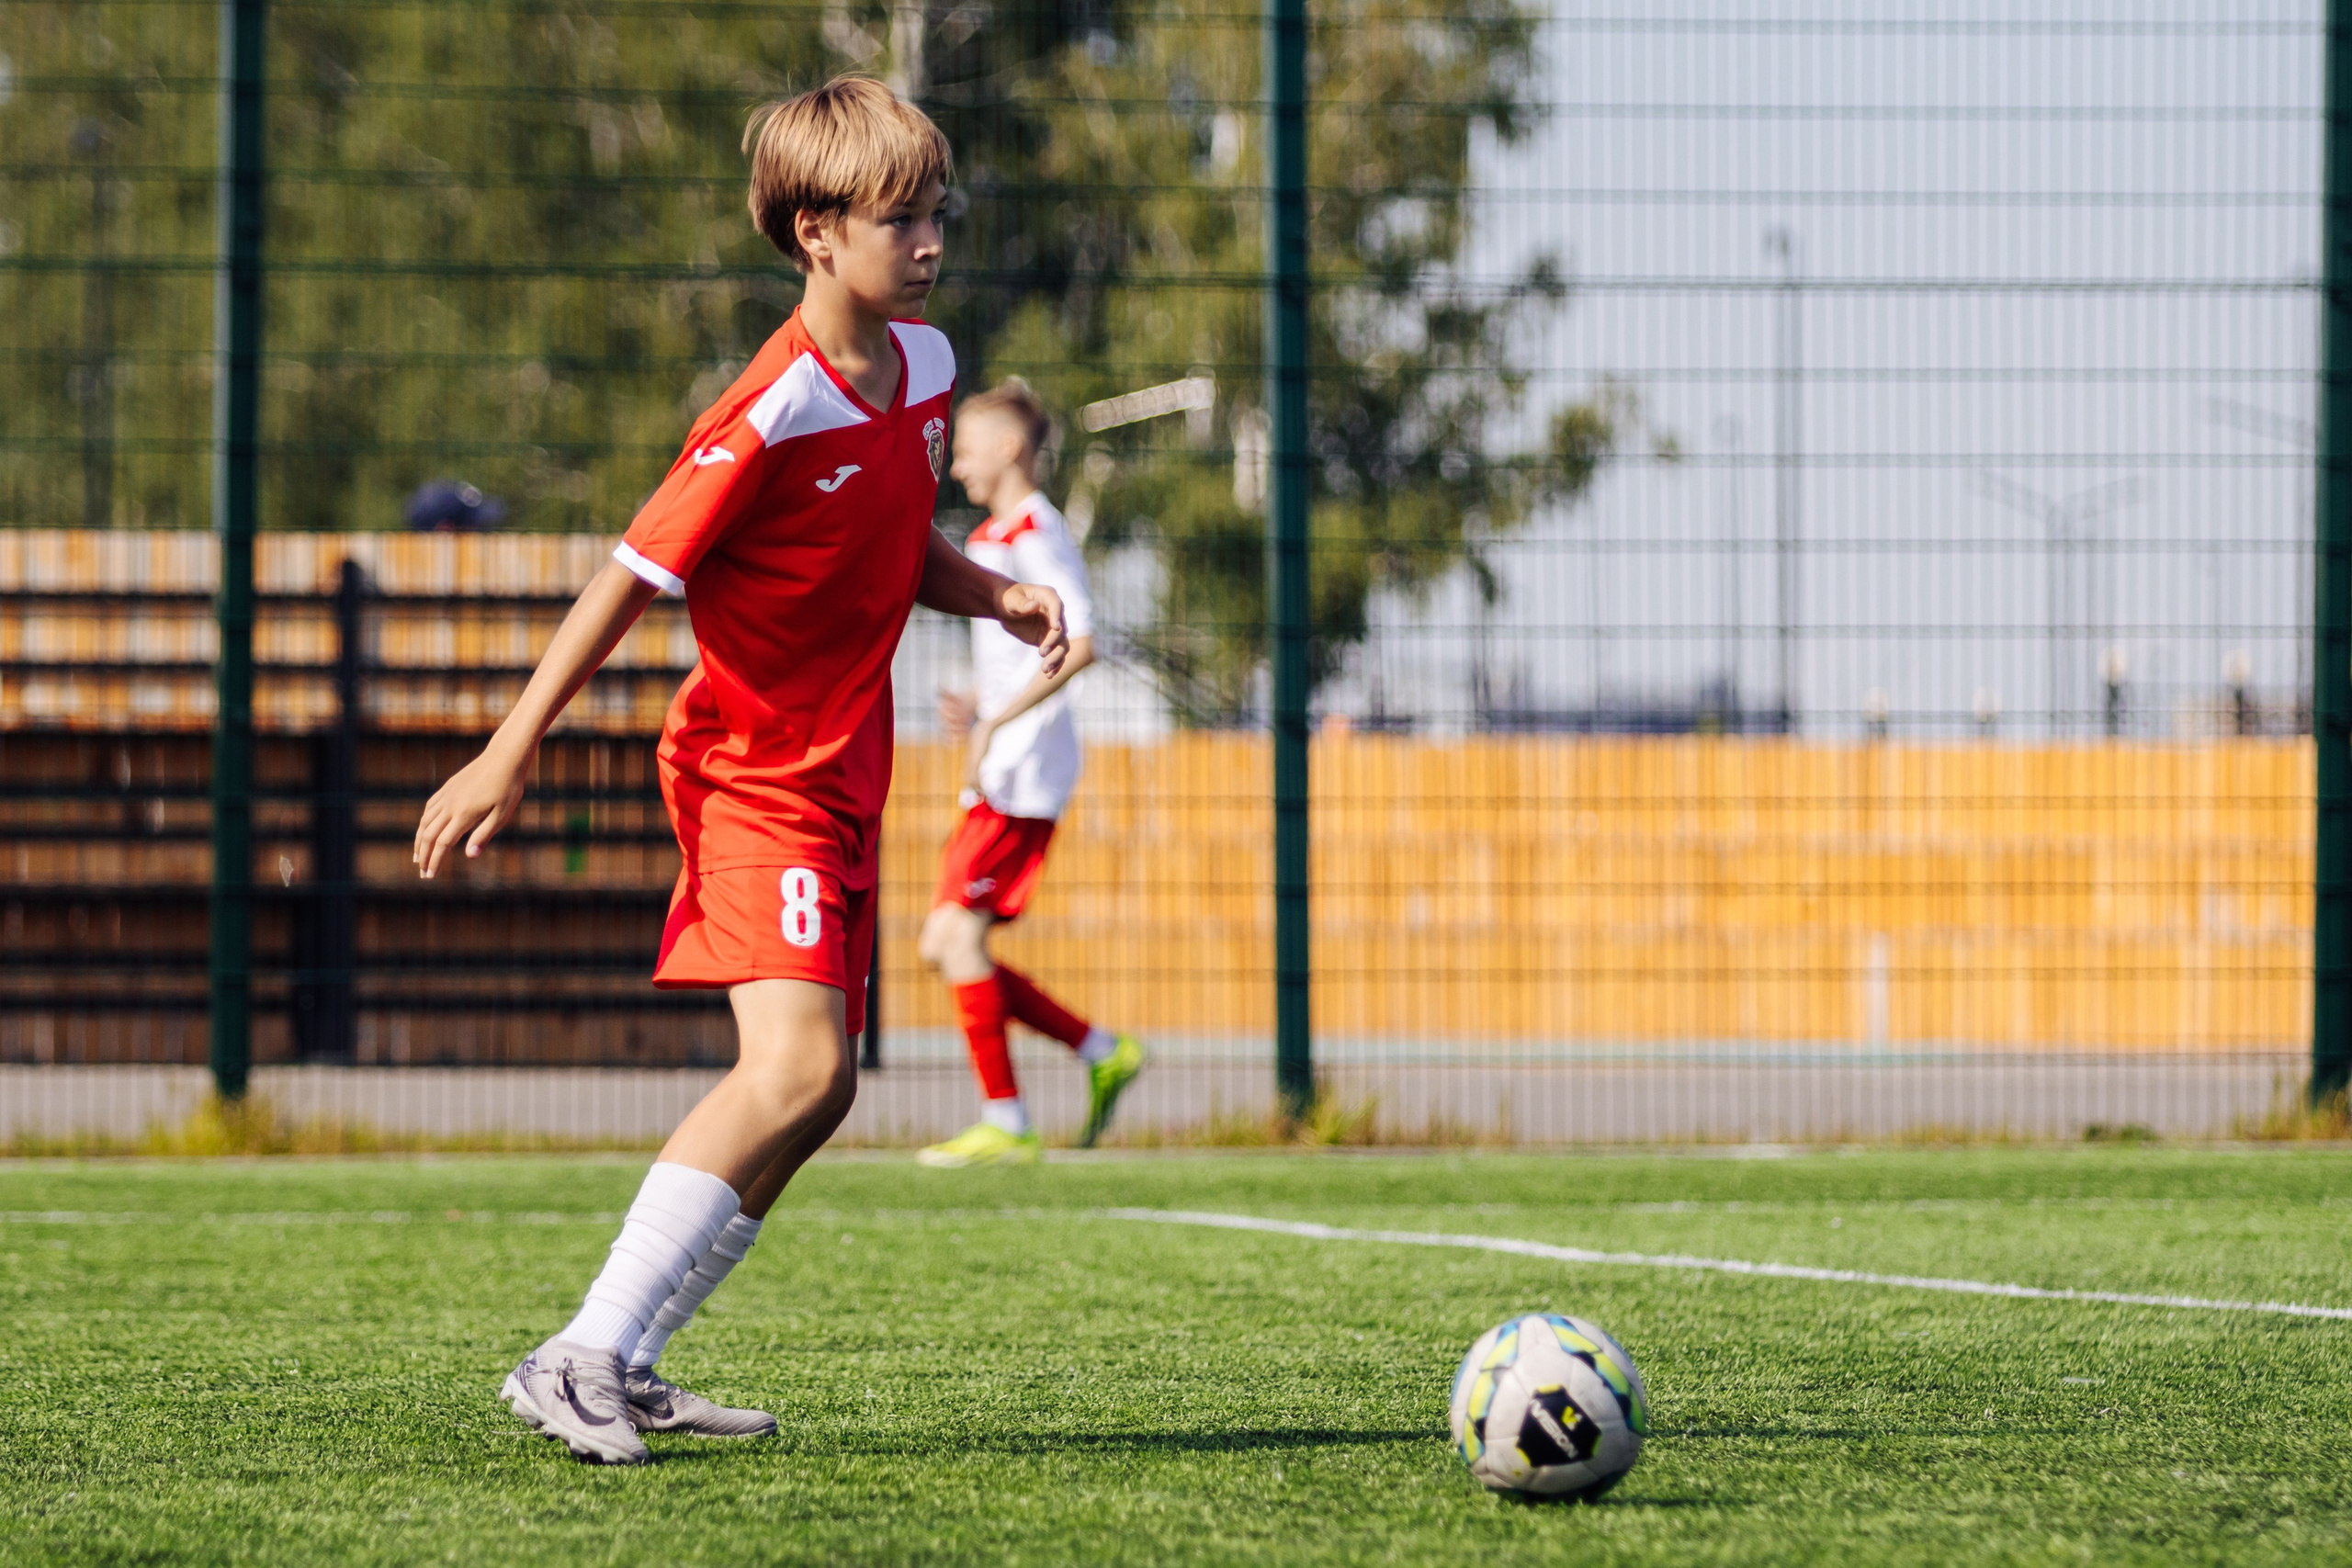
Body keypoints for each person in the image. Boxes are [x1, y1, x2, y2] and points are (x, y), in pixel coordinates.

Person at [410, 77, 1068, 1466]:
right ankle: (579, 1351)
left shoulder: (929, 368)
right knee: (798, 1063)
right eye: (899, 220)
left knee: (822, 1089)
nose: (929, 242)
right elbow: (626, 576)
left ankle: (633, 1361)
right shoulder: (770, 404)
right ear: (815, 233)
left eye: (936, 213)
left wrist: (991, 592)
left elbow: (890, 536)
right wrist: (507, 750)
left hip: (846, 774)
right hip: (753, 775)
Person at [914, 381, 1145, 1167]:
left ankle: (1007, 1118)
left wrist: (996, 722)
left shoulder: (1035, 530)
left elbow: (1080, 642)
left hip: (1023, 769)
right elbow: (1028, 650)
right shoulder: (993, 535)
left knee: (955, 935)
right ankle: (1100, 1049)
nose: (956, 467)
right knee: (946, 940)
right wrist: (982, 703)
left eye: (966, 449)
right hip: (1004, 763)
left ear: (1010, 448)